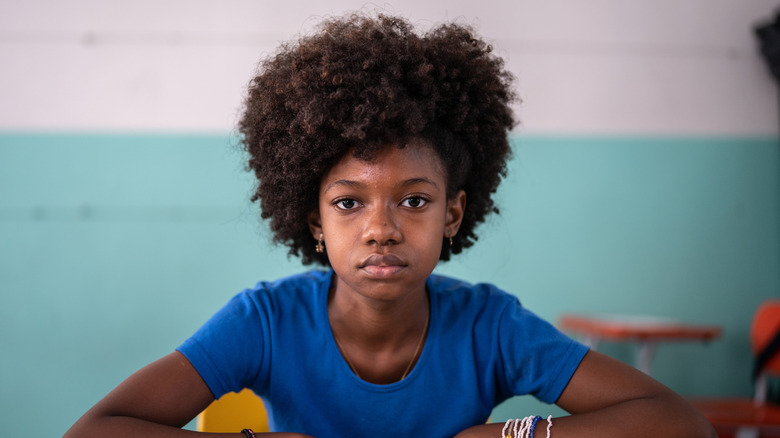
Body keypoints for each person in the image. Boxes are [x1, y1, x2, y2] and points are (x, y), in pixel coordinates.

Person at [65, 13, 716, 438]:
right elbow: (96, 429)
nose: (382, 229)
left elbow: (676, 421)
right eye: (349, 203)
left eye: (413, 201)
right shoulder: (265, 323)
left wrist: (511, 434)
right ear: (313, 220)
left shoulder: (489, 327)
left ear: (452, 213)